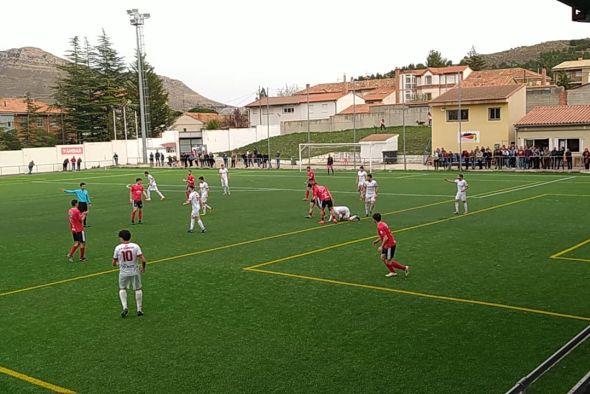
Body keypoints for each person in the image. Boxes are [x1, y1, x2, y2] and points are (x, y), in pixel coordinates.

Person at [112, 229, 146, 318]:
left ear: (121, 238)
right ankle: (139, 309)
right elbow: (143, 259)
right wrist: (143, 267)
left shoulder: (118, 248)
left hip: (123, 272)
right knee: (138, 289)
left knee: (122, 288)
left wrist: (119, 263)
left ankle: (125, 307)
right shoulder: (135, 246)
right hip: (135, 271)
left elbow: (113, 263)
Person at [371, 213, 409, 278]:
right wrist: (376, 241)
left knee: (389, 262)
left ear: (374, 220)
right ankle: (393, 272)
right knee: (383, 257)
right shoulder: (383, 223)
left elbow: (386, 237)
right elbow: (385, 235)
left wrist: (381, 246)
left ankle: (405, 268)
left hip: (389, 245)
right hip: (387, 244)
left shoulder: (380, 227)